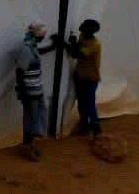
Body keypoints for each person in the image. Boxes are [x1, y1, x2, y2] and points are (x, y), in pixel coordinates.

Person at [14, 22, 61, 160]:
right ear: (37, 35)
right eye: (42, 36)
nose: (43, 38)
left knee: (35, 117)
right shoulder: (26, 49)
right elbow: (19, 72)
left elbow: (38, 52)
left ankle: (29, 145)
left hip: (36, 89)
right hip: (30, 91)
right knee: (31, 118)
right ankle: (27, 147)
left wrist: (52, 46)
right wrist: (23, 92)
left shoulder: (31, 46)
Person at [66, 18, 103, 137]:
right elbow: (77, 48)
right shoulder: (83, 37)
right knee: (82, 104)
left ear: (90, 30)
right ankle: (85, 126)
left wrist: (67, 44)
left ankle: (96, 127)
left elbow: (77, 54)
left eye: (84, 26)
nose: (81, 27)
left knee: (89, 104)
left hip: (90, 78)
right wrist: (73, 43)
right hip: (81, 76)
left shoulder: (95, 45)